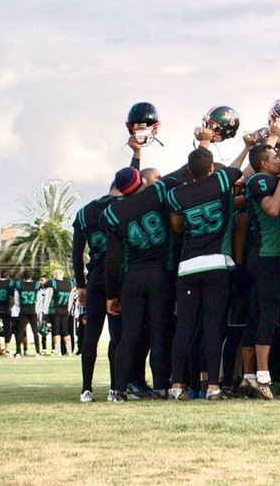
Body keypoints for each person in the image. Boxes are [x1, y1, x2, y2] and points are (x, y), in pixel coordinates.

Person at [166, 147, 244, 401]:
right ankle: (212, 386)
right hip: (216, 264)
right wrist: (245, 147)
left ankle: (176, 386)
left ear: (189, 171)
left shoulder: (176, 194)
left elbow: (177, 227)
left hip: (188, 265)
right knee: (213, 327)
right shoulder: (221, 181)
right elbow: (237, 169)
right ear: (211, 168)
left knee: (185, 327)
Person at [103, 165, 178, 401]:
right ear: (143, 181)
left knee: (129, 335)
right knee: (159, 334)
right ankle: (159, 388)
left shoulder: (114, 211)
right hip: (160, 274)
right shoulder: (157, 191)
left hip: (132, 278)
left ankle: (118, 390)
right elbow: (181, 173)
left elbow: (112, 258)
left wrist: (111, 293)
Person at [240, 142, 280, 400]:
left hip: (264, 257)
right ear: (263, 163)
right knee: (267, 315)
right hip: (266, 257)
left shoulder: (265, 178)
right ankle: (263, 376)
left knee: (256, 315)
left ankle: (249, 377)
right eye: (276, 156)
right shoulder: (262, 180)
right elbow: (272, 209)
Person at [73, 182, 124, 402]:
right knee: (117, 336)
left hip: (93, 279)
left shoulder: (84, 213)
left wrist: (80, 284)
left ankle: (87, 389)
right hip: (116, 277)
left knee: (91, 336)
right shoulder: (120, 205)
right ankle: (115, 388)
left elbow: (77, 253)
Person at [13, 269, 42, 357]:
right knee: (35, 331)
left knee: (20, 332)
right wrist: (37, 308)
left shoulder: (19, 285)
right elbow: (39, 298)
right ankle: (38, 352)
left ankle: (18, 352)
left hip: (23, 310)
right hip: (32, 310)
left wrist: (19, 307)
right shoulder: (37, 284)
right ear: (31, 276)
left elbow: (16, 300)